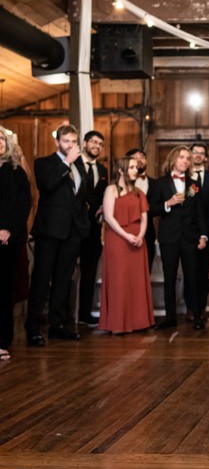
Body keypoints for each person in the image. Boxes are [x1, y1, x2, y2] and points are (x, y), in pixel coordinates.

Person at [25, 123, 90, 345]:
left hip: (73, 231)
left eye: (73, 141)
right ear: (57, 142)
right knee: (42, 279)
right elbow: (47, 185)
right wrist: (67, 162)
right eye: (66, 141)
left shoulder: (79, 164)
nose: (70, 145)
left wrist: (84, 222)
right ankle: (32, 327)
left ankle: (57, 325)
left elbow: (81, 195)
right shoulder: (44, 163)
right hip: (50, 230)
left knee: (64, 279)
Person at [150, 145, 209, 331]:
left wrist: (203, 235)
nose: (185, 161)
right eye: (182, 157)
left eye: (188, 158)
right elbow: (152, 209)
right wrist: (168, 203)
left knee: (193, 277)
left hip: (190, 237)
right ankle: (170, 318)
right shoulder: (160, 183)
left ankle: (197, 316)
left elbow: (200, 213)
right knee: (170, 277)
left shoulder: (194, 183)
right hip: (169, 237)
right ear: (173, 159)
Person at [99, 156, 155, 334]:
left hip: (137, 240)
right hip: (117, 239)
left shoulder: (139, 192)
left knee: (137, 281)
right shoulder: (111, 189)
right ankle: (118, 324)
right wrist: (126, 236)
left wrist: (140, 235)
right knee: (118, 280)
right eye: (131, 167)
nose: (135, 170)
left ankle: (139, 322)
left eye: (136, 167)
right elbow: (108, 217)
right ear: (121, 170)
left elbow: (145, 217)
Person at [0, 127, 32, 361]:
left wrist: (7, 229)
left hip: (7, 239)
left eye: (2, 139)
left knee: (3, 292)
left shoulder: (16, 172)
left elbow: (22, 205)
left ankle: (2, 341)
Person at [77, 129, 108, 327]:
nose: (96, 146)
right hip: (73, 227)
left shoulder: (103, 171)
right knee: (65, 273)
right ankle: (61, 316)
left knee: (89, 274)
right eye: (93, 142)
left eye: (100, 144)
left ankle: (84, 314)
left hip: (94, 230)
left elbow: (102, 195)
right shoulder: (74, 164)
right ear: (85, 143)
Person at [188, 141, 209, 318]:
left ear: (206, 157)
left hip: (206, 231)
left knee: (202, 271)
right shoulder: (184, 177)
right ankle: (189, 307)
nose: (198, 155)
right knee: (188, 271)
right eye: (195, 152)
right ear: (191, 154)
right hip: (186, 230)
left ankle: (200, 309)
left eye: (202, 153)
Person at [126, 147, 158, 271]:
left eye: (142, 157)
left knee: (146, 268)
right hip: (127, 230)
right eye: (135, 157)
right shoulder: (121, 183)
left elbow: (156, 208)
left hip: (148, 231)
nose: (140, 160)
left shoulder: (155, 184)